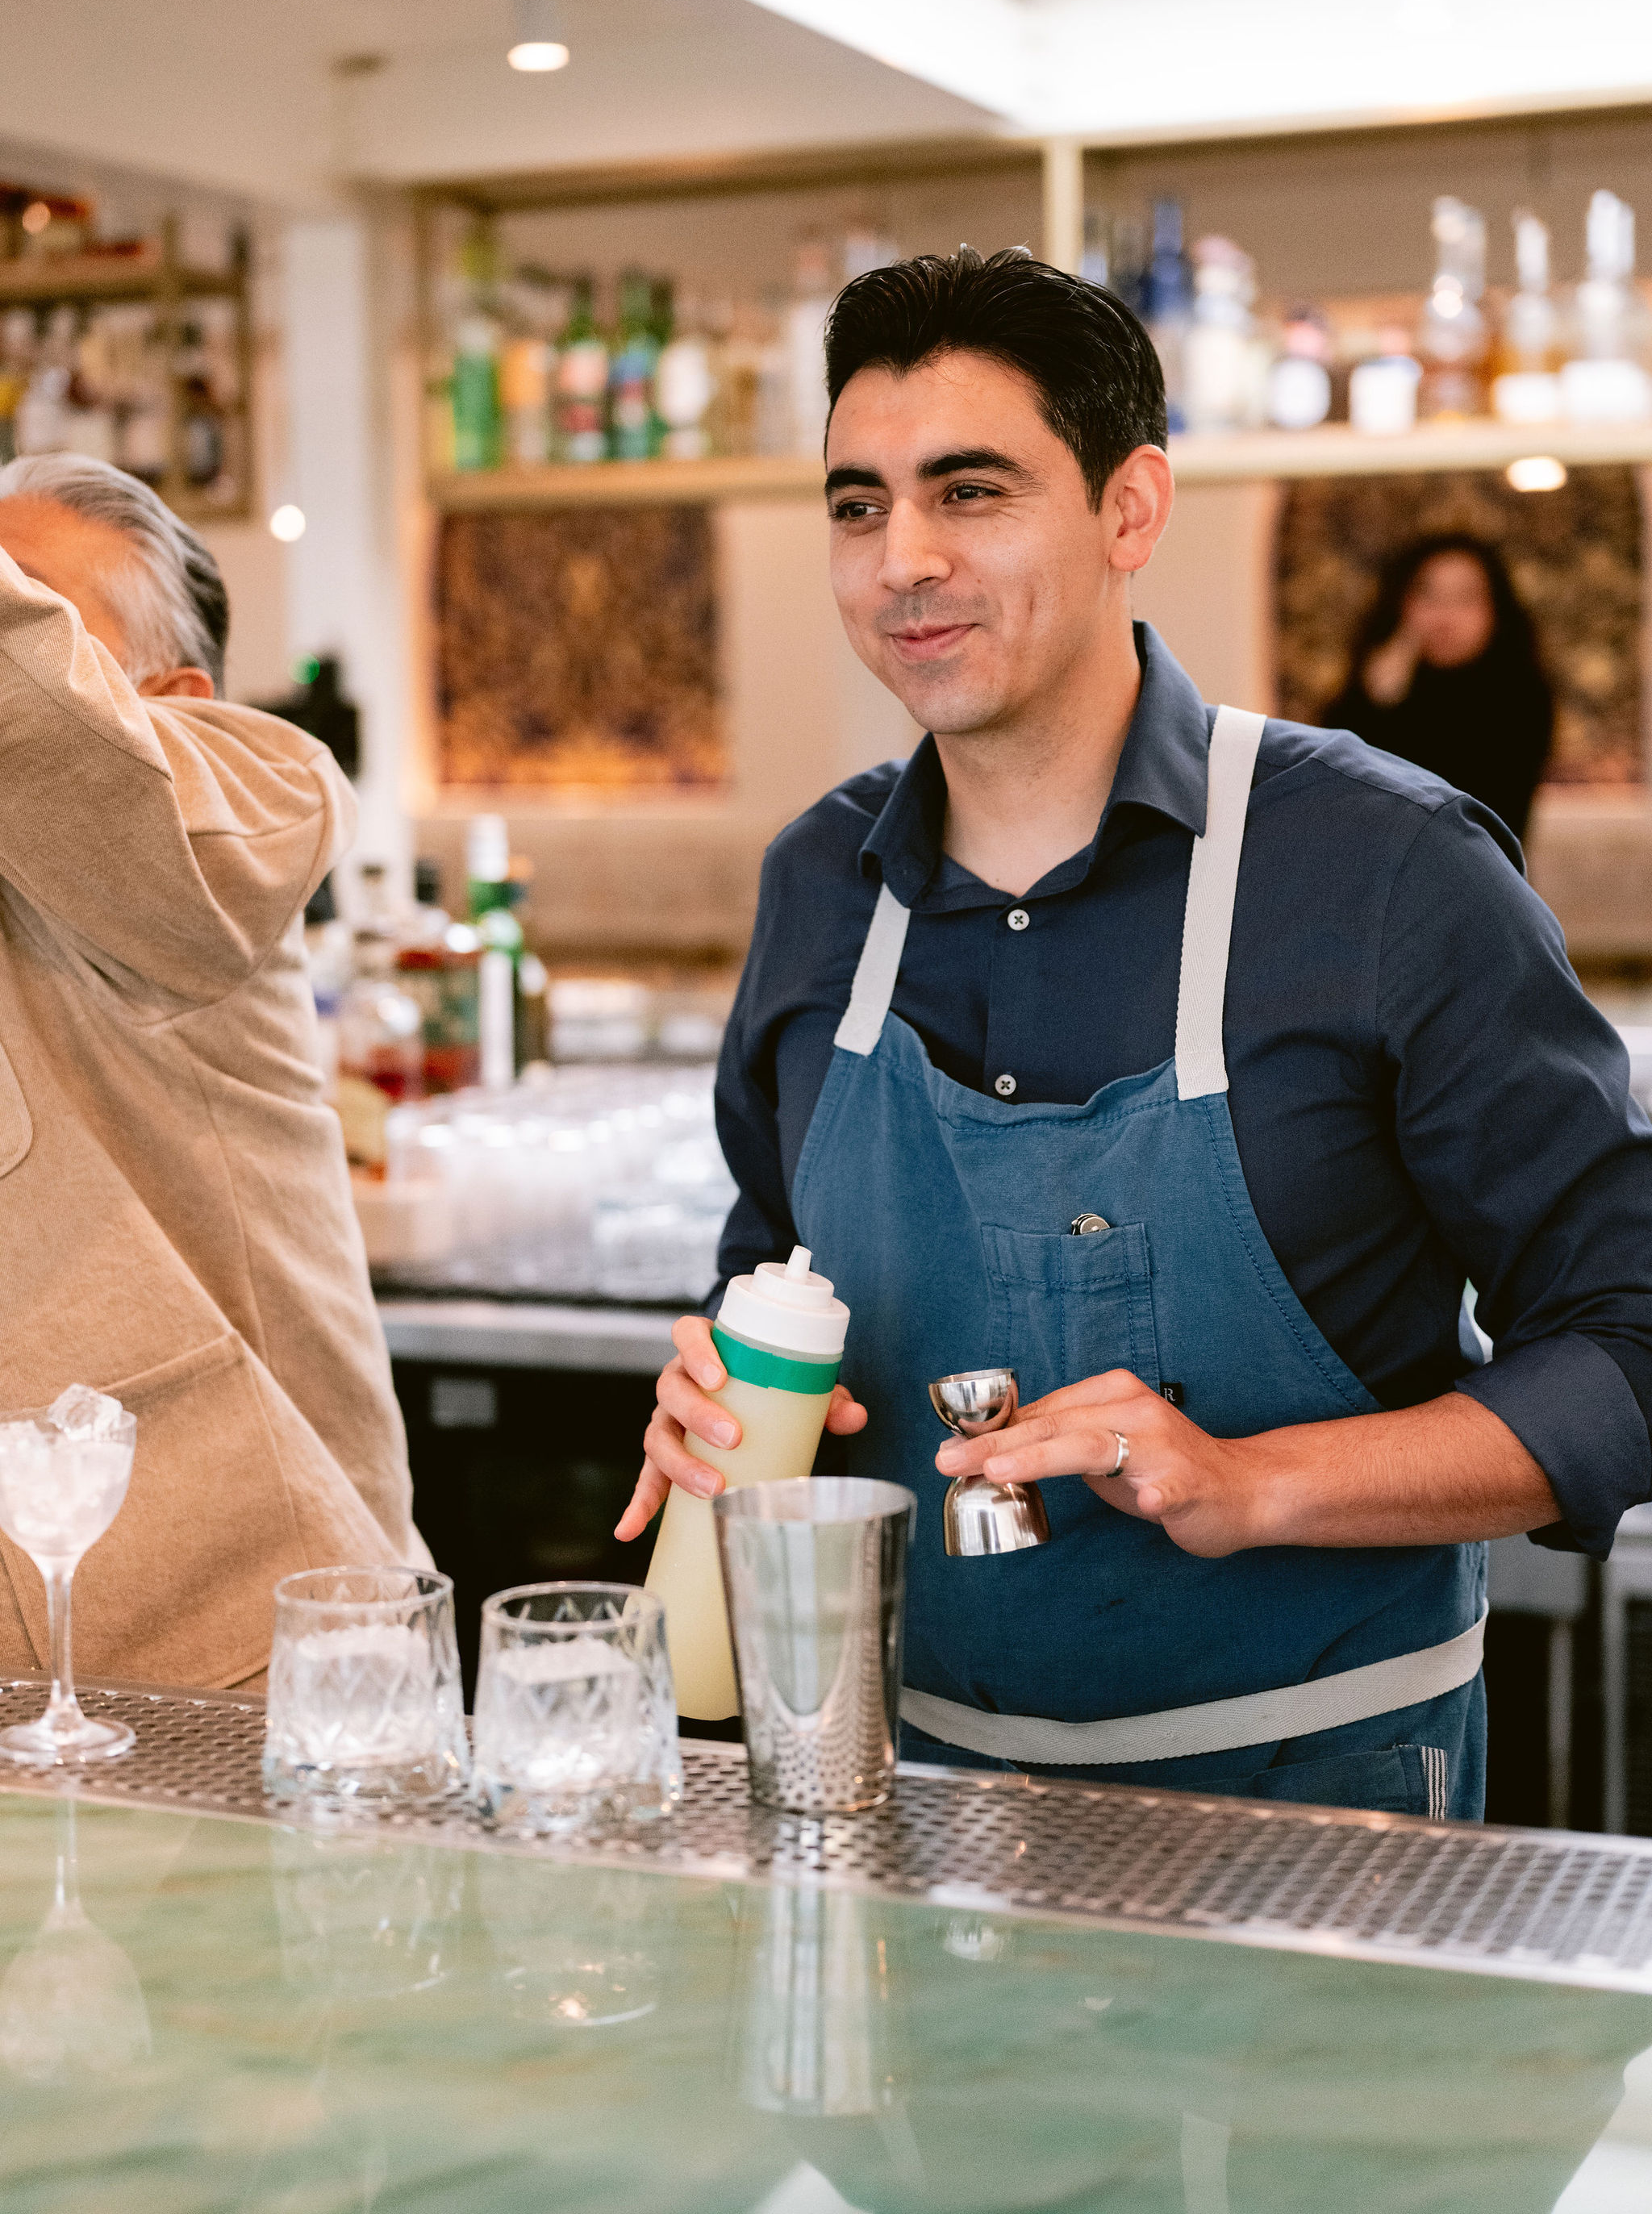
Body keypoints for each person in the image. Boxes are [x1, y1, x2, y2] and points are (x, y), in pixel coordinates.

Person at [616, 249, 1652, 1820]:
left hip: (1327, 1824)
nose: (901, 560)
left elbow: (1626, 1343)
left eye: (969, 493)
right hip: (895, 1801)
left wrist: (1255, 1483)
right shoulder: (820, 892)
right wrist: (724, 1386)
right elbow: (776, 1267)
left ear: (1130, 510)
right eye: (854, 504)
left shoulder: (1383, 872)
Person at [0, 452, 424, 1690]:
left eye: (35, 608)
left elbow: (57, 744)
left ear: (172, 698)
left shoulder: (246, 798)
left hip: (262, 1655)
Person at [1325, 533, 1554, 843]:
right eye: (1429, 596)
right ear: (1402, 604)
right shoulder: (1371, 693)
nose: (1446, 616)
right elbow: (1346, 805)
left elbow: (1489, 812)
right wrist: (1376, 703)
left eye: (1466, 598)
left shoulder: (1523, 699)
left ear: (1496, 611)